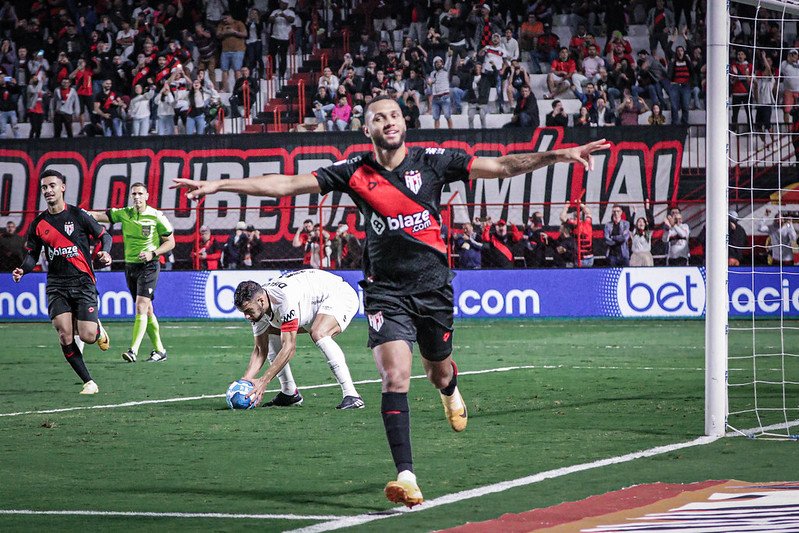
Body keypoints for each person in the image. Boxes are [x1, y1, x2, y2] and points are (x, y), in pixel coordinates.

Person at [173, 94, 609, 508]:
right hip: (385, 291)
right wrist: (220, 184)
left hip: (433, 288)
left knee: (438, 371)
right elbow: (286, 184)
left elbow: (501, 166)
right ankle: (407, 476)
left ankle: (450, 390)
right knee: (395, 376)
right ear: (367, 129)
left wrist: (559, 154)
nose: (388, 122)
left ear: (404, 123)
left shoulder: (434, 161)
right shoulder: (354, 171)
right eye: (379, 117)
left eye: (394, 115)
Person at [12, 170, 111, 395]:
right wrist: (23, 269)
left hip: (83, 281)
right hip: (57, 284)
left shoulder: (78, 215)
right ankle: (89, 381)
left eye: (52, 186)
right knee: (64, 334)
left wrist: (105, 252)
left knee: (87, 335)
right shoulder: (38, 223)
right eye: (44, 187)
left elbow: (105, 236)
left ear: (62, 188)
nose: (48, 190)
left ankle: (97, 330)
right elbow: (32, 255)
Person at [233, 271, 364, 410]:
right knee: (271, 331)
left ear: (261, 301)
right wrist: (245, 381)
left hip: (338, 294)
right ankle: (289, 393)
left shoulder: (282, 299)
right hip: (310, 306)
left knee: (319, 332)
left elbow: (289, 347)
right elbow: (260, 350)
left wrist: (263, 381)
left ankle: (352, 395)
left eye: (248, 311)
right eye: (243, 312)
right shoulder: (259, 308)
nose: (247, 316)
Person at [89, 183, 175, 363]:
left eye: (140, 194)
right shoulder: (124, 213)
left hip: (149, 265)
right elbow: (98, 216)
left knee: (141, 306)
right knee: (148, 310)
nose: (137, 197)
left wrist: (153, 253)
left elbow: (170, 242)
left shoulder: (156, 216)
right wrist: (79, 213)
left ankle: (133, 351)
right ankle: (160, 351)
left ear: (147, 196)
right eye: (134, 194)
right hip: (130, 267)